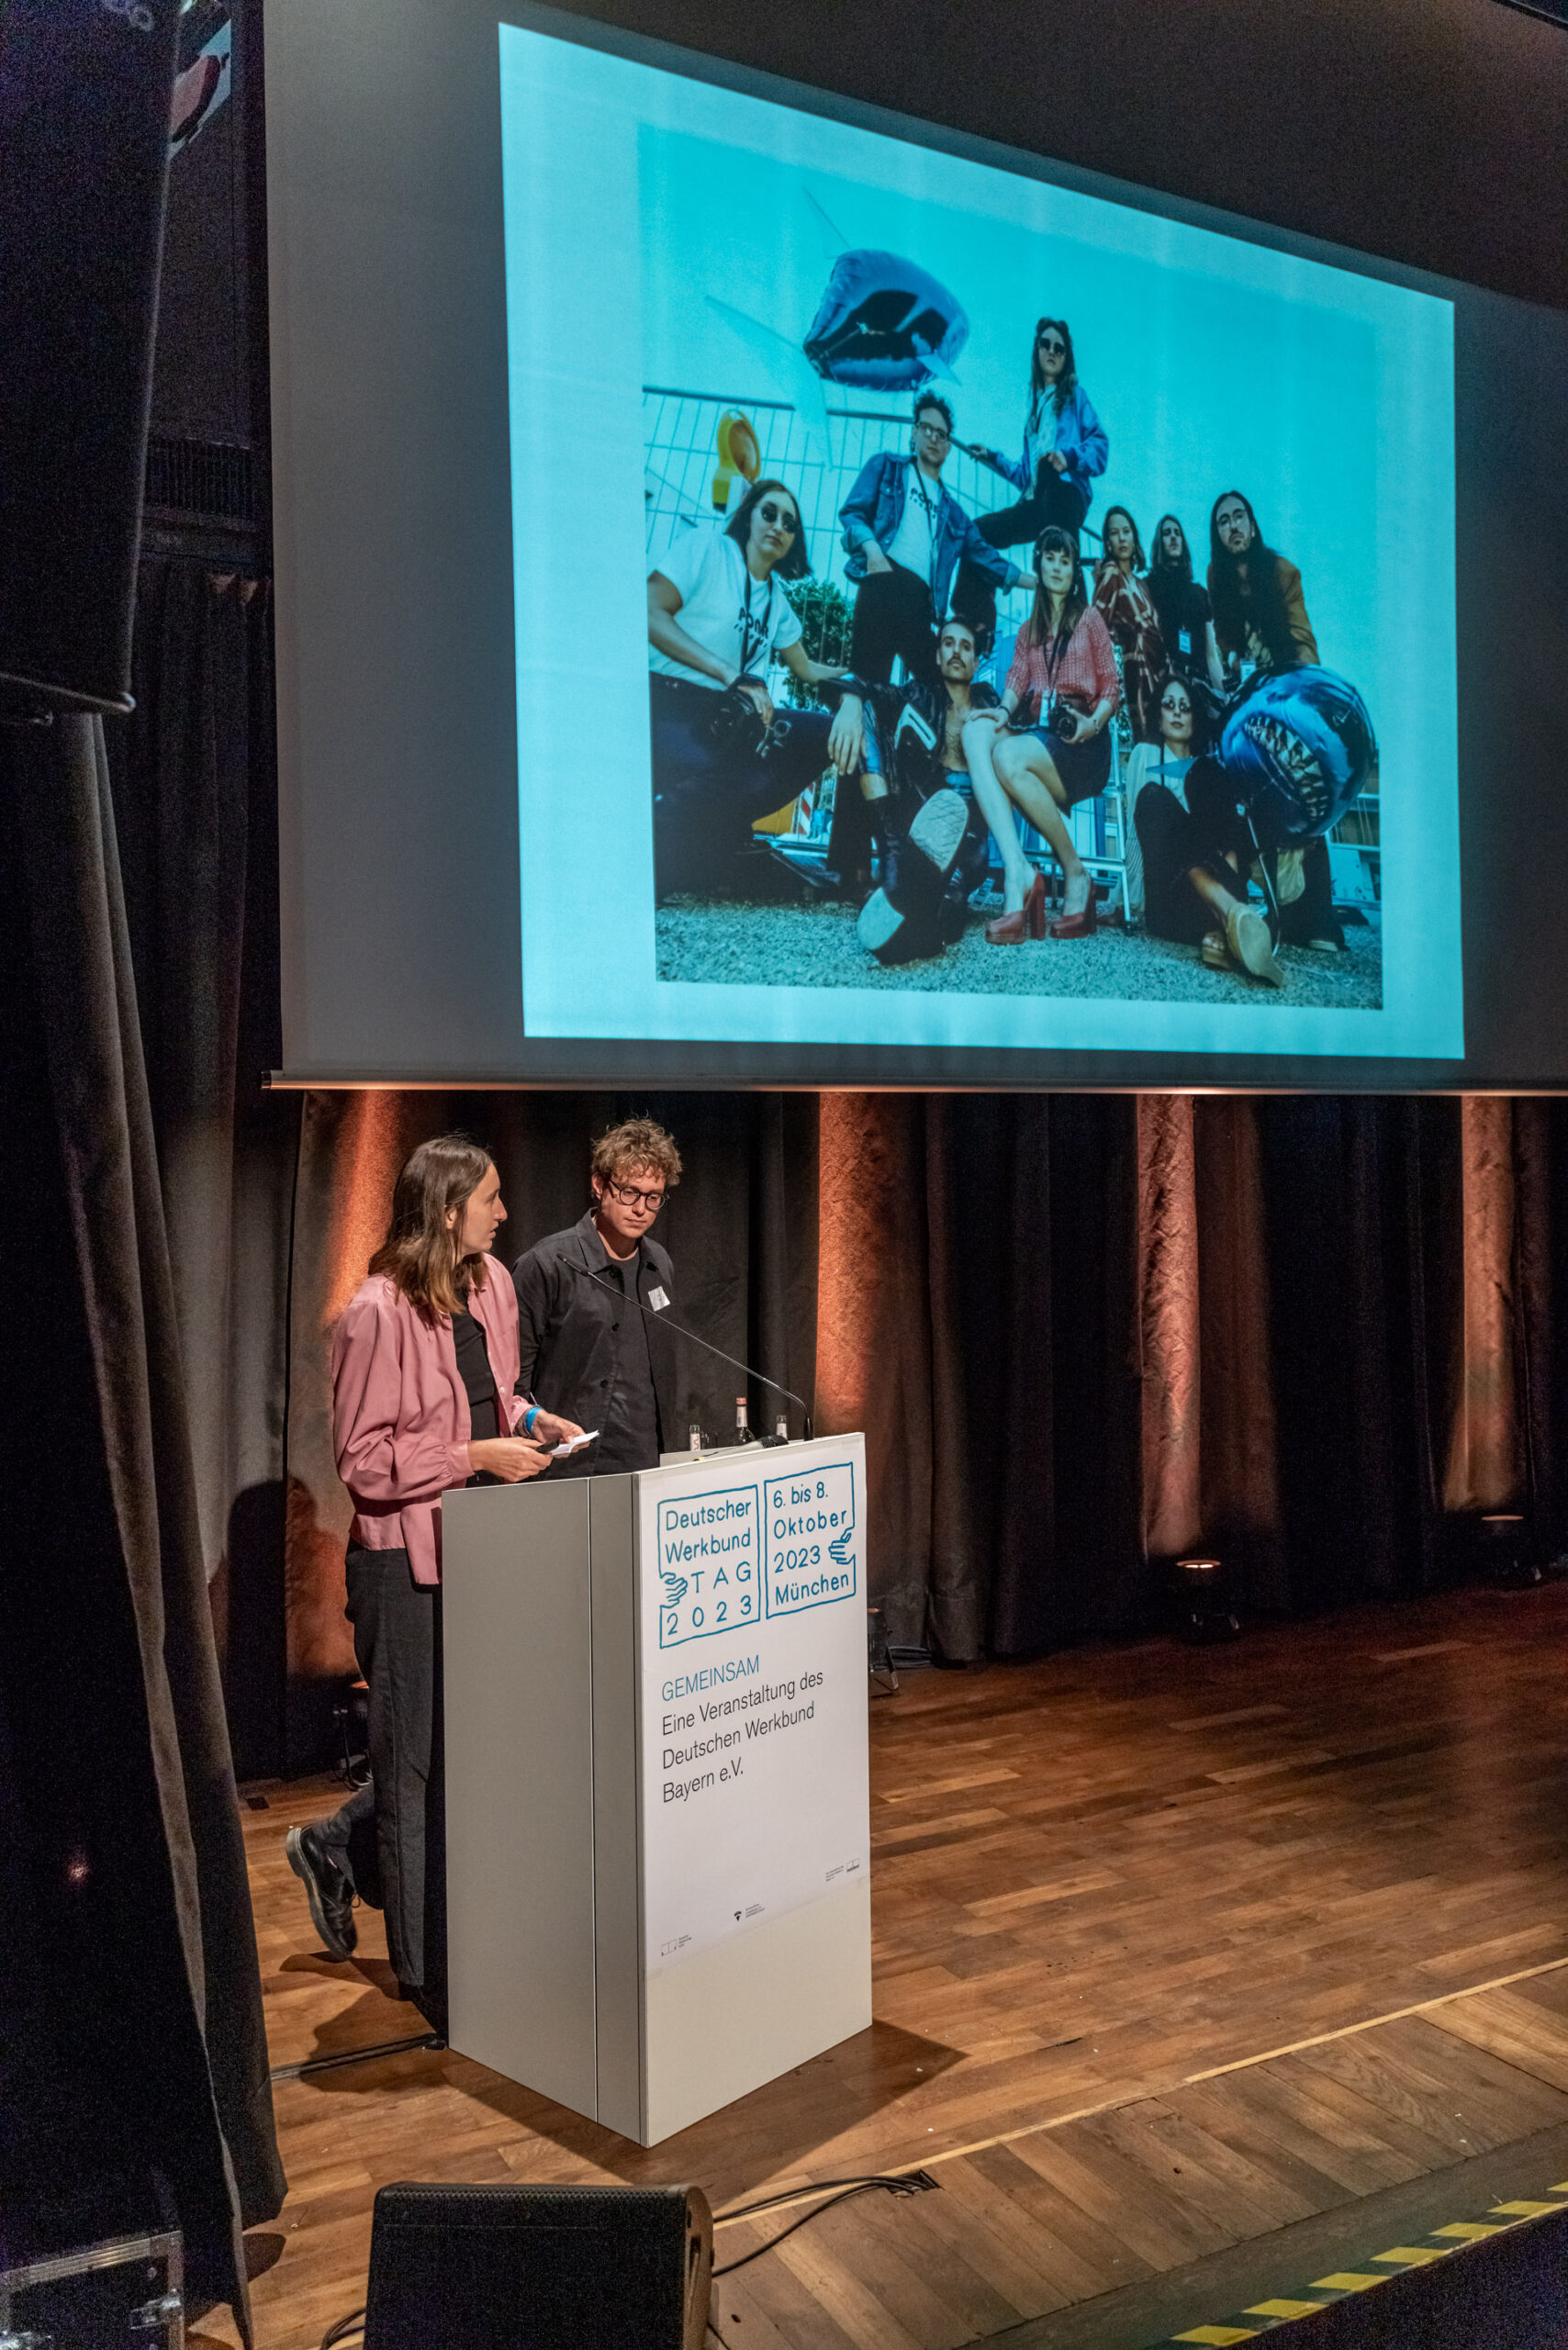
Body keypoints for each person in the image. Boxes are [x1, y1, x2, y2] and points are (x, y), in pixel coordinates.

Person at [285, 1137, 582, 2029]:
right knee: (412, 1768)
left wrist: (532, 1420)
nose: (504, 1214)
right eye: (490, 1199)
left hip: (486, 1550)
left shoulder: (491, 1285)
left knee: (479, 1755)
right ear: (448, 1211)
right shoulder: (374, 1312)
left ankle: (355, 1857)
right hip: (400, 1567)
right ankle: (429, 1975)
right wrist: (473, 1456)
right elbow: (363, 1462)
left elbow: (495, 1395)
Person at [647, 478, 855, 896]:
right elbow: (649, 611)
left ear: (794, 540)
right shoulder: (708, 548)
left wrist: (859, 684)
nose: (778, 526)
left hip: (723, 722)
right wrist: (729, 674)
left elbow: (808, 670)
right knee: (729, 772)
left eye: (790, 523)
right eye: (769, 513)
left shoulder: (778, 602)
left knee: (821, 735)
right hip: (666, 704)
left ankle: (705, 836)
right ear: (749, 516)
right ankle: (668, 835)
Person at [963, 525, 1120, 943]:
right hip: (1042, 736)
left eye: (1065, 560)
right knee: (977, 732)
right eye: (1049, 558)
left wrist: (1093, 722)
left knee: (1007, 756)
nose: (1056, 567)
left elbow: (1112, 685)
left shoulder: (1089, 619)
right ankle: (1018, 871)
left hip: (1084, 741)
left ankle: (1075, 872)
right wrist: (1000, 712)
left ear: (1074, 571)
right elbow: (1017, 679)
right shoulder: (1027, 631)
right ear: (1039, 564)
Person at [825, 614, 1004, 964]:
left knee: (948, 906)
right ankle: (892, 847)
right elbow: (864, 685)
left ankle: (908, 918)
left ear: (976, 661)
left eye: (965, 646)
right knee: (865, 710)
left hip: (968, 835)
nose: (956, 652)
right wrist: (850, 702)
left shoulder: (990, 704)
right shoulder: (920, 693)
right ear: (938, 655)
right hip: (918, 821)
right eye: (948, 644)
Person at [1206, 490, 1341, 948]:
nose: (1233, 526)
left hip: (1288, 701)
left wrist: (1298, 702)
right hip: (1247, 708)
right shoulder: (1217, 578)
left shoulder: (1283, 572)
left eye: (1238, 517)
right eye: (1223, 521)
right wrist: (1231, 668)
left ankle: (1318, 921)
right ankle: (1272, 910)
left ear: (1252, 524)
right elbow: (1223, 644)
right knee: (1252, 799)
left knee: (1302, 795)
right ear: (1217, 533)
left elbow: (1304, 644)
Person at [511, 1119, 682, 1473]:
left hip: (645, 1463)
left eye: (653, 1198)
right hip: (568, 1466)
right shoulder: (547, 1263)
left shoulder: (659, 1262)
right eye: (629, 1193)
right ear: (599, 1185)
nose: (640, 1209)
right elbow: (513, 1380)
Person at [838, 393, 1025, 686]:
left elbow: (986, 557)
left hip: (921, 601)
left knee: (940, 687)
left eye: (941, 434)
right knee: (869, 682)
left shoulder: (954, 513)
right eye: (927, 428)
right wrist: (873, 552)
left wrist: (1039, 583)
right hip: (882, 578)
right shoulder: (886, 466)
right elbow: (852, 513)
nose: (934, 438)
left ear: (949, 446)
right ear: (914, 432)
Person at [953, 317, 1109, 644]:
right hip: (1039, 501)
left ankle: (1075, 625)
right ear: (1036, 350)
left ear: (1066, 357)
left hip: (1066, 493)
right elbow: (1027, 475)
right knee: (977, 531)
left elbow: (1100, 447)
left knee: (1051, 476)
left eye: (1059, 348)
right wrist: (993, 457)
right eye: (1045, 345)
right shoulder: (1034, 409)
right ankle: (976, 622)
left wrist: (1069, 456)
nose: (1052, 351)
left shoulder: (1075, 397)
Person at [1129, 676, 1284, 986]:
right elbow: (1136, 836)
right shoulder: (1144, 754)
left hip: (1215, 893)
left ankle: (1229, 915)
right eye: (1169, 705)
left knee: (1209, 774)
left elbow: (1231, 842)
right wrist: (1128, 902)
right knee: (1152, 797)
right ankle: (1232, 917)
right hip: (1169, 904)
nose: (1177, 712)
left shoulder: (1211, 772)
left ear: (1195, 718)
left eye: (1185, 707)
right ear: (1158, 716)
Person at [1092, 505, 1166, 743]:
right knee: (1150, 745)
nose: (1122, 538)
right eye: (1115, 533)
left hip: (1161, 673)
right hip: (1140, 677)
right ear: (1108, 543)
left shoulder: (1141, 583)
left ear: (1134, 537)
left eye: (1126, 531)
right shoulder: (1111, 575)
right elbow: (1094, 628)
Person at [1145, 513, 1225, 705]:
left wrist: (1223, 695)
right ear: (1159, 542)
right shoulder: (1147, 587)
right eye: (1167, 533)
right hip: (1163, 687)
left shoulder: (1200, 593)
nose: (1173, 537)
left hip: (1198, 688)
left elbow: (1211, 655)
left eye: (1177, 533)